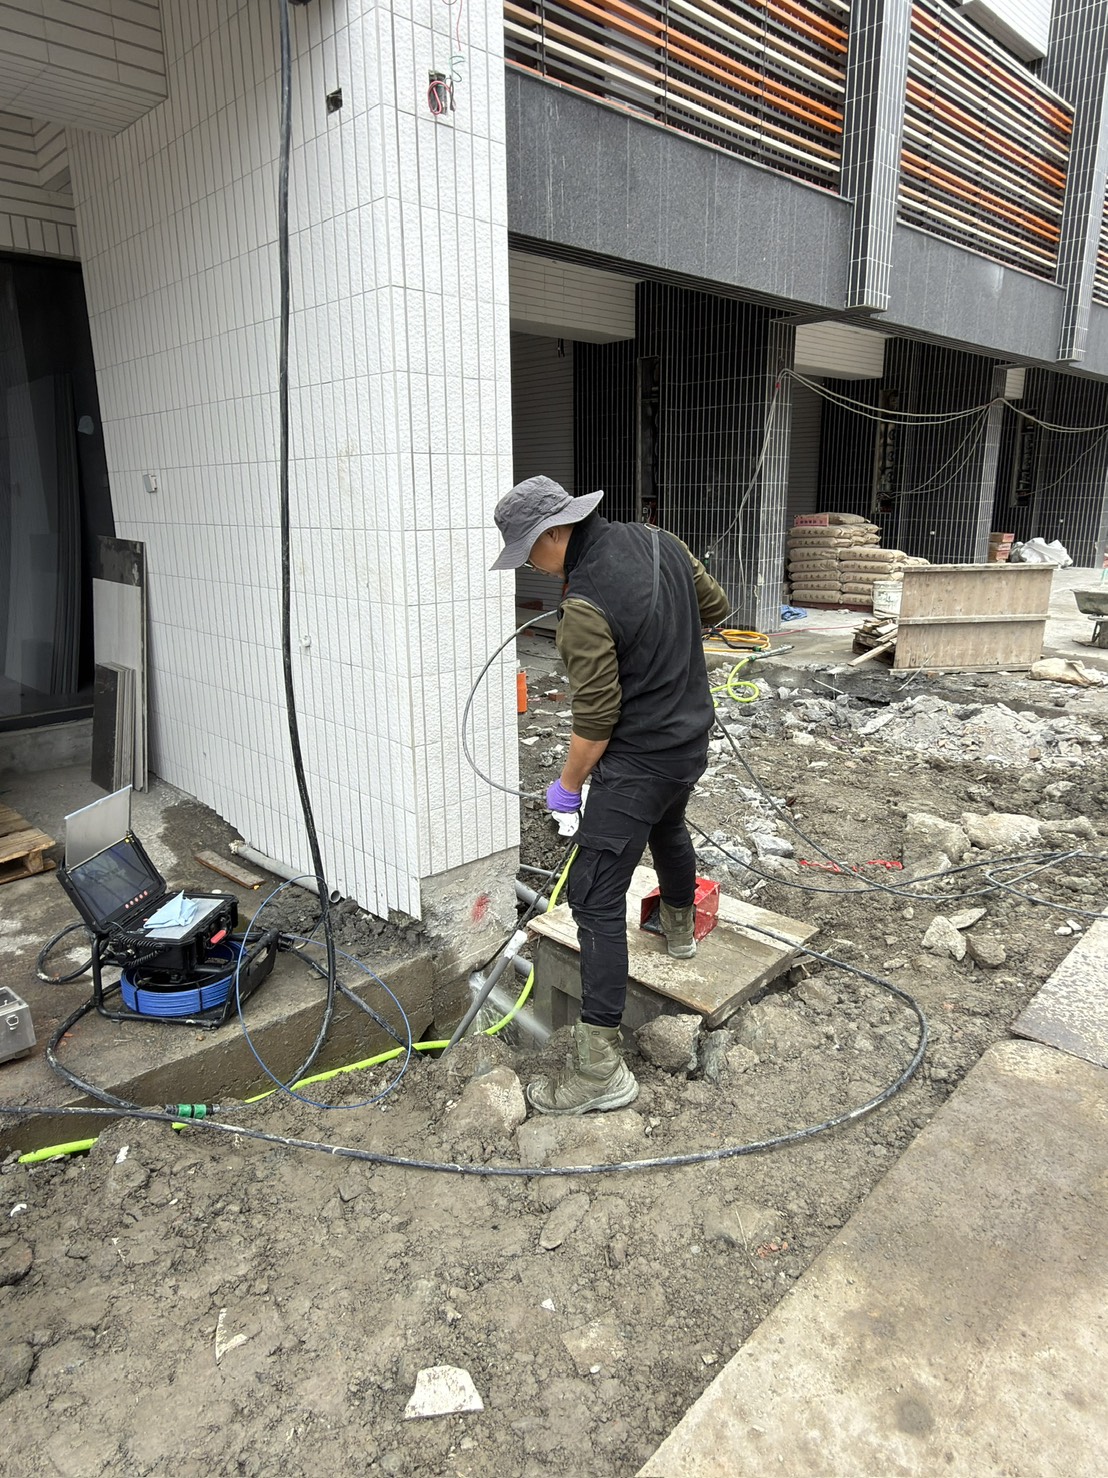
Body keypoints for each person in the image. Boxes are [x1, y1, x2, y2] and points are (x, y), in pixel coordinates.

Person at [491, 475, 730, 1115]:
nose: (532, 568)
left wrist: (567, 787)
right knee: (669, 826)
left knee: (594, 898)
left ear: (554, 533)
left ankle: (598, 1070)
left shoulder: (583, 606)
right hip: (688, 742)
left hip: (638, 762)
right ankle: (679, 932)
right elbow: (716, 607)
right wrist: (664, 639)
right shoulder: (660, 541)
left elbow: (596, 719)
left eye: (528, 554)